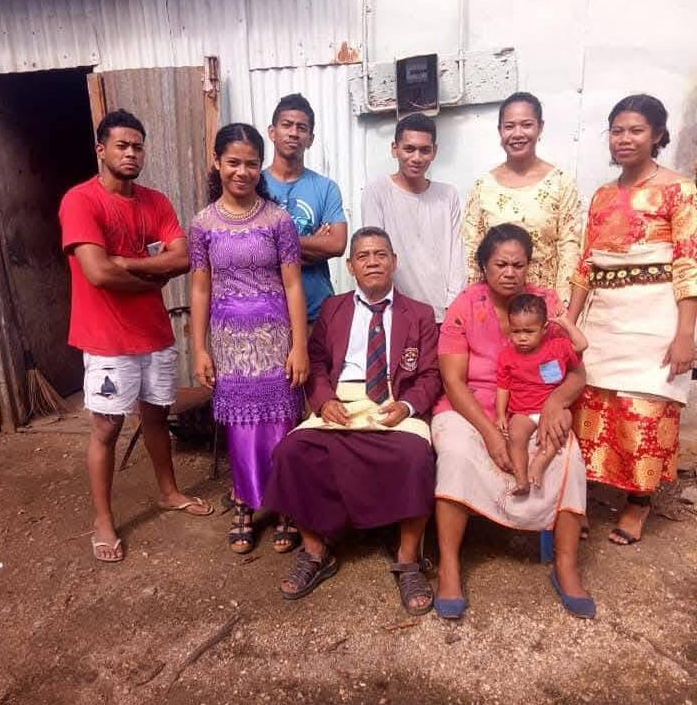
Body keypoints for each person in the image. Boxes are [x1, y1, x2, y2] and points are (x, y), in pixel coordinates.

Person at [59, 108, 213, 564]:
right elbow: (98, 273)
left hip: (153, 334)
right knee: (107, 427)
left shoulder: (155, 202)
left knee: (156, 417)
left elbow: (182, 259)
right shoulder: (81, 201)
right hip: (107, 339)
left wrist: (130, 265)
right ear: (101, 150)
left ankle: (168, 491)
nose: (131, 153)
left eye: (138, 146)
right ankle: (103, 520)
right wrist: (152, 275)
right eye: (122, 145)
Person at [264, 227, 442, 615]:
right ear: (350, 266)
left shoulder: (421, 314)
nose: (373, 262)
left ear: (395, 262)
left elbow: (430, 375)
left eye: (381, 254)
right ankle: (315, 553)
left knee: (415, 457)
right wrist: (324, 400)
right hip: (342, 399)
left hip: (393, 401)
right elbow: (317, 364)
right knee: (291, 452)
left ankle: (409, 561)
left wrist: (408, 407)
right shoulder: (333, 309)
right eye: (364, 256)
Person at [433, 224, 594, 619]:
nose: (509, 272)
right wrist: (490, 434)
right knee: (455, 454)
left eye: (518, 265)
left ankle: (566, 565)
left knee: (568, 455)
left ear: (528, 267)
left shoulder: (545, 303)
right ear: (484, 267)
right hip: (470, 408)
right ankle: (449, 567)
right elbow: (453, 381)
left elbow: (574, 371)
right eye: (500, 264)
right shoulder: (465, 305)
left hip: (537, 405)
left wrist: (557, 403)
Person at [567, 94, 697, 546]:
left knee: (644, 409)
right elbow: (586, 262)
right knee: (591, 408)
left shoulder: (681, 190)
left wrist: (686, 334)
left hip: (654, 314)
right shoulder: (602, 195)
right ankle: (575, 502)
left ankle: (637, 505)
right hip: (604, 314)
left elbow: (687, 262)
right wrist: (570, 320)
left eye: (636, 130)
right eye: (617, 130)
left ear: (658, 135)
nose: (624, 139)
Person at [190, 123, 309, 555]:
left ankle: (286, 506)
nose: (242, 171)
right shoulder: (202, 224)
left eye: (252, 164)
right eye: (233, 162)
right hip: (228, 340)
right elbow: (200, 287)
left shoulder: (278, 221)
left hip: (275, 335)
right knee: (240, 426)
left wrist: (299, 345)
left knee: (280, 422)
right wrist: (199, 348)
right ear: (217, 163)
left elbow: (294, 285)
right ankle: (244, 499)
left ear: (262, 166)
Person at [462, 92, 582, 303]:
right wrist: (476, 305)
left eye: (526, 125)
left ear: (540, 128)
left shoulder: (561, 183)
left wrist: (561, 307)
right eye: (509, 126)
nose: (517, 133)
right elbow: (472, 251)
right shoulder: (483, 187)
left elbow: (569, 249)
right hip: (494, 305)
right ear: (500, 131)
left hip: (543, 308)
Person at [361, 113, 463, 324]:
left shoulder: (448, 195)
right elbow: (376, 255)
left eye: (424, 150)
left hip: (441, 314)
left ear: (434, 152)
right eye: (409, 149)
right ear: (394, 149)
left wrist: (452, 306)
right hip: (394, 313)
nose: (416, 158)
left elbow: (457, 256)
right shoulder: (377, 191)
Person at [262, 93, 347, 326]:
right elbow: (251, 249)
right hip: (267, 316)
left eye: (302, 128)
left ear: (310, 138)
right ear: (272, 132)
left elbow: (337, 244)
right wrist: (311, 244)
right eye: (286, 125)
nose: (293, 133)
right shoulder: (254, 185)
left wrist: (276, 244)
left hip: (317, 314)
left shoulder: (325, 188)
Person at [495, 294, 588, 495]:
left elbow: (582, 345)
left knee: (564, 421)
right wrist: (501, 415)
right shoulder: (507, 356)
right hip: (523, 411)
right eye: (516, 331)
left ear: (544, 329)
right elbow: (503, 387)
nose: (522, 337)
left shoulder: (557, 347)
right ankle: (521, 478)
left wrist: (565, 323)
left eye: (529, 331)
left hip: (552, 409)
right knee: (515, 434)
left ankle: (540, 463)